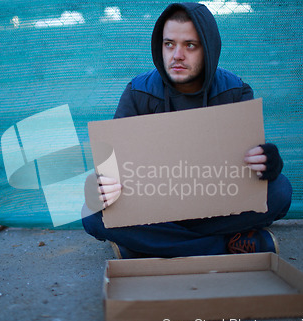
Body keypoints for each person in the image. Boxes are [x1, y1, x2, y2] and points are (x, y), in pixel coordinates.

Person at [82, 2, 292, 258]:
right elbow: (110, 170)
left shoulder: (235, 91)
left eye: (189, 45)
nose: (177, 55)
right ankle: (225, 246)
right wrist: (101, 187)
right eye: (169, 44)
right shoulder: (138, 92)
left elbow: (253, 165)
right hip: (154, 209)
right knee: (93, 214)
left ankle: (149, 247)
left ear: (208, 49)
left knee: (280, 190)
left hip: (217, 205)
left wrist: (268, 163)